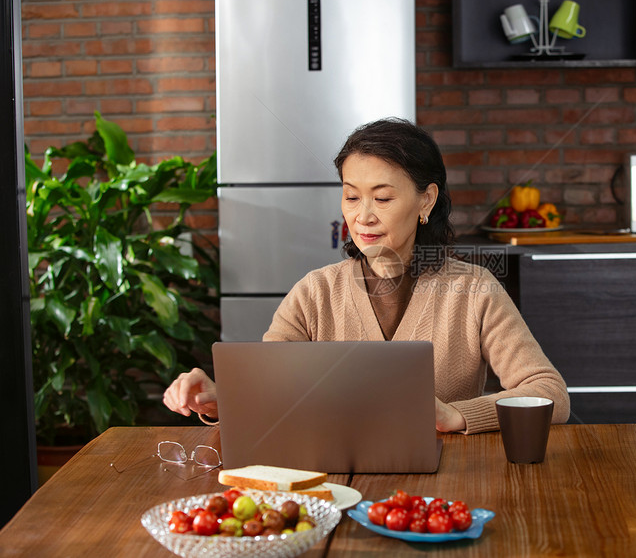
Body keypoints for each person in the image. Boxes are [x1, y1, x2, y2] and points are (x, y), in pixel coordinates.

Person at [163, 118, 570, 433]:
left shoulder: (474, 289)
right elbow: (271, 390)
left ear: (425, 199)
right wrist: (220, 397)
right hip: (335, 481)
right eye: (352, 196)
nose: (363, 216)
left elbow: (550, 393)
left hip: (445, 483)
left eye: (383, 197)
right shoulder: (315, 292)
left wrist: (457, 415)